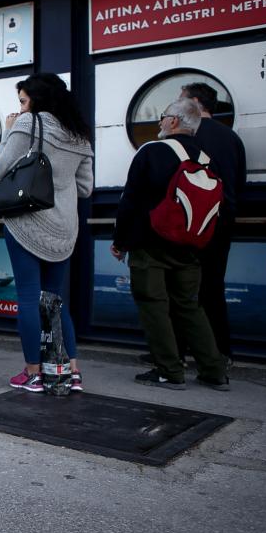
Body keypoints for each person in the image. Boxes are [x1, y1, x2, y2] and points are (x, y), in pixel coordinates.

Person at [111, 98, 229, 391]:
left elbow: (131, 201)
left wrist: (121, 242)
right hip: (190, 245)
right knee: (189, 305)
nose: (160, 122)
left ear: (174, 121)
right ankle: (214, 371)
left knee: (154, 305)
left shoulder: (151, 151)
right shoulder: (205, 157)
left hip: (151, 243)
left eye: (163, 117)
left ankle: (169, 371)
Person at [0, 73, 92, 393]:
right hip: (64, 228)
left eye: (22, 101)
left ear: (36, 99)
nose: (20, 108)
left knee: (28, 297)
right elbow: (85, 188)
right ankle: (70, 371)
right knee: (54, 300)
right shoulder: (79, 135)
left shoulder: (26, 124)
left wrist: (8, 133)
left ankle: (33, 372)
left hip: (28, 224)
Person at [183, 82, 246, 363]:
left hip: (193, 222)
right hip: (223, 219)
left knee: (182, 288)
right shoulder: (231, 137)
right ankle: (221, 351)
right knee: (213, 287)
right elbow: (239, 180)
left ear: (195, 103)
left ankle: (179, 352)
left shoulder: (189, 135)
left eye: (181, 101)